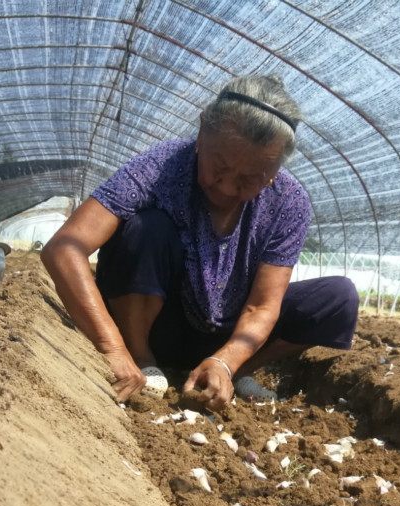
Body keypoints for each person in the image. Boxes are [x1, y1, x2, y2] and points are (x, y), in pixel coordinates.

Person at [41, 75, 358, 412]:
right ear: (202, 131)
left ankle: (232, 373)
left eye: (249, 180)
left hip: (227, 334)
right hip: (163, 320)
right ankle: (141, 356)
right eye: (218, 168)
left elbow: (262, 306)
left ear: (275, 170)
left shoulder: (289, 202)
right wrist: (112, 347)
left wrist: (227, 360)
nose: (225, 188)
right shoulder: (163, 165)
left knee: (337, 298)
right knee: (145, 228)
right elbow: (65, 247)